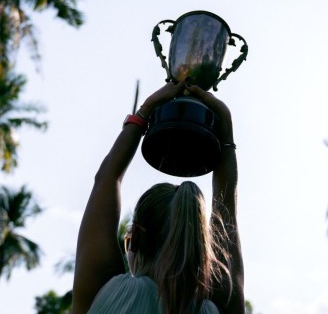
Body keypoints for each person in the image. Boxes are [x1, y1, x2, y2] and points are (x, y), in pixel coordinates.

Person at [72, 81, 244, 314]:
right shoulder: (213, 309)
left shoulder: (108, 294)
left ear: (135, 239)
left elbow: (106, 179)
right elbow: (226, 213)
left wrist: (144, 111)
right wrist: (226, 131)